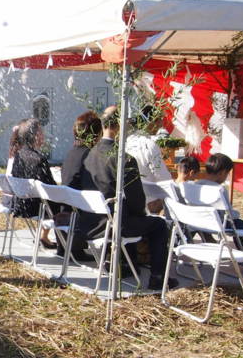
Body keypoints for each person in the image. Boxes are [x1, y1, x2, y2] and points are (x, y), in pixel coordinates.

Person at [84, 106, 177, 290]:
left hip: (91, 221)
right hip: (113, 224)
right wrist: (144, 213)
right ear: (120, 125)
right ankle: (158, 277)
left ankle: (127, 265)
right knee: (157, 225)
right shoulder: (123, 159)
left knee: (126, 213)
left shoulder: (90, 154)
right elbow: (137, 201)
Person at [195, 153, 243, 269]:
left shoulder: (195, 185)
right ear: (222, 172)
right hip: (220, 223)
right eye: (227, 174)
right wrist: (236, 213)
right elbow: (228, 213)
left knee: (238, 226)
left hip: (200, 222)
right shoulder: (219, 189)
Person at [59, 111, 106, 261]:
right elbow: (94, 189)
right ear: (97, 134)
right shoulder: (90, 156)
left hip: (64, 216)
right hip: (80, 220)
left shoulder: (71, 153)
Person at [8, 118, 58, 249]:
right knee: (69, 204)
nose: (44, 135)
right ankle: (68, 245)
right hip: (36, 207)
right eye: (41, 132)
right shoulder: (39, 159)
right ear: (35, 136)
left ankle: (44, 237)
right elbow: (50, 187)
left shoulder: (18, 155)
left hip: (21, 204)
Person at [125, 104, 173, 213]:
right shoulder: (149, 145)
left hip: (130, 196)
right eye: (160, 120)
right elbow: (164, 180)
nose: (161, 124)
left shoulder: (128, 141)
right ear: (152, 122)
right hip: (149, 201)